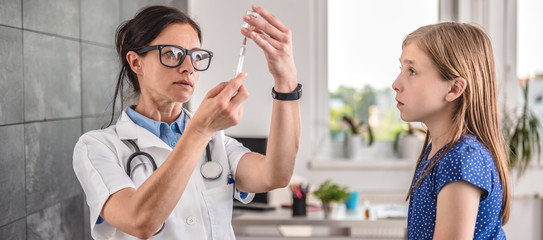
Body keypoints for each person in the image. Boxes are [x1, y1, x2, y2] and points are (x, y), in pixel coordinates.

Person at [73, 5, 301, 240]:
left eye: (196, 56)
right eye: (172, 53)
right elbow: (140, 222)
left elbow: (276, 175)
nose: (189, 67)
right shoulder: (96, 147)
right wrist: (201, 129)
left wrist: (286, 83)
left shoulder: (217, 143)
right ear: (136, 63)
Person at [392, 22, 510, 239]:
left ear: (454, 88)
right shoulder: (438, 152)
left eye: (412, 71)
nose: (396, 84)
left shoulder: (462, 159)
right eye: (401, 69)